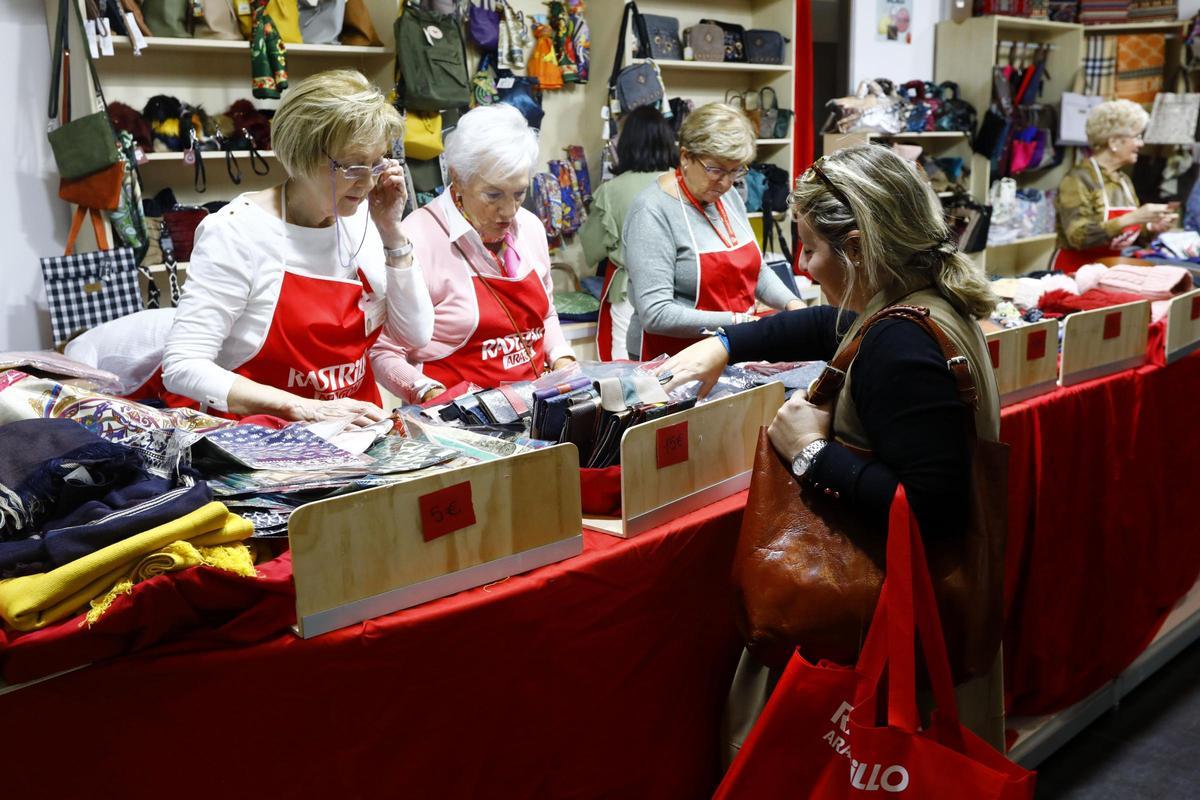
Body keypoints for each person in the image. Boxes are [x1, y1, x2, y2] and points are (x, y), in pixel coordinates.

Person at [660, 144, 1005, 751]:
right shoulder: (917, 306)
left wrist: (811, 454)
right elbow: (827, 326)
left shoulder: (901, 348)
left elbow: (932, 508)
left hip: (883, 629)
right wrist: (725, 344)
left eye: (813, 248)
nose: (805, 266)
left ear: (859, 250)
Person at [159, 69, 433, 423]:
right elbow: (182, 366)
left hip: (360, 430)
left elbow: (415, 335)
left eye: (375, 163)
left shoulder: (363, 214)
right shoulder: (236, 232)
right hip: (266, 440)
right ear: (301, 156)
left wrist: (392, 233)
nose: (367, 183)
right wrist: (304, 407)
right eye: (352, 166)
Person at [371, 104, 576, 403]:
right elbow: (383, 350)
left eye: (519, 193)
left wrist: (562, 359)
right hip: (453, 426)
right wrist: (430, 393)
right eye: (493, 195)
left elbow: (545, 314)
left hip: (530, 416)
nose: (508, 212)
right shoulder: (416, 237)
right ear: (458, 176)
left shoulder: (530, 228)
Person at [622, 102, 803, 360]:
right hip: (671, 358)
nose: (727, 182)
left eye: (735, 170)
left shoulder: (726, 196)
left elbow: (757, 271)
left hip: (732, 346)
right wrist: (738, 321)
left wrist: (793, 304)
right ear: (685, 157)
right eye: (716, 169)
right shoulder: (652, 211)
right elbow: (656, 313)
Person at [580, 106, 678, 361]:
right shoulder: (681, 184)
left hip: (628, 288)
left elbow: (592, 249)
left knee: (625, 371)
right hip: (678, 289)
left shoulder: (611, 191)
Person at [1053, 99, 1177, 273]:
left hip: (1108, 270)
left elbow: (1126, 235)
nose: (1141, 144)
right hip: (1074, 272)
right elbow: (1078, 237)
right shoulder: (1078, 179)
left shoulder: (1123, 181)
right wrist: (1133, 217)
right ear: (1114, 142)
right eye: (1136, 137)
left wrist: (1150, 228)